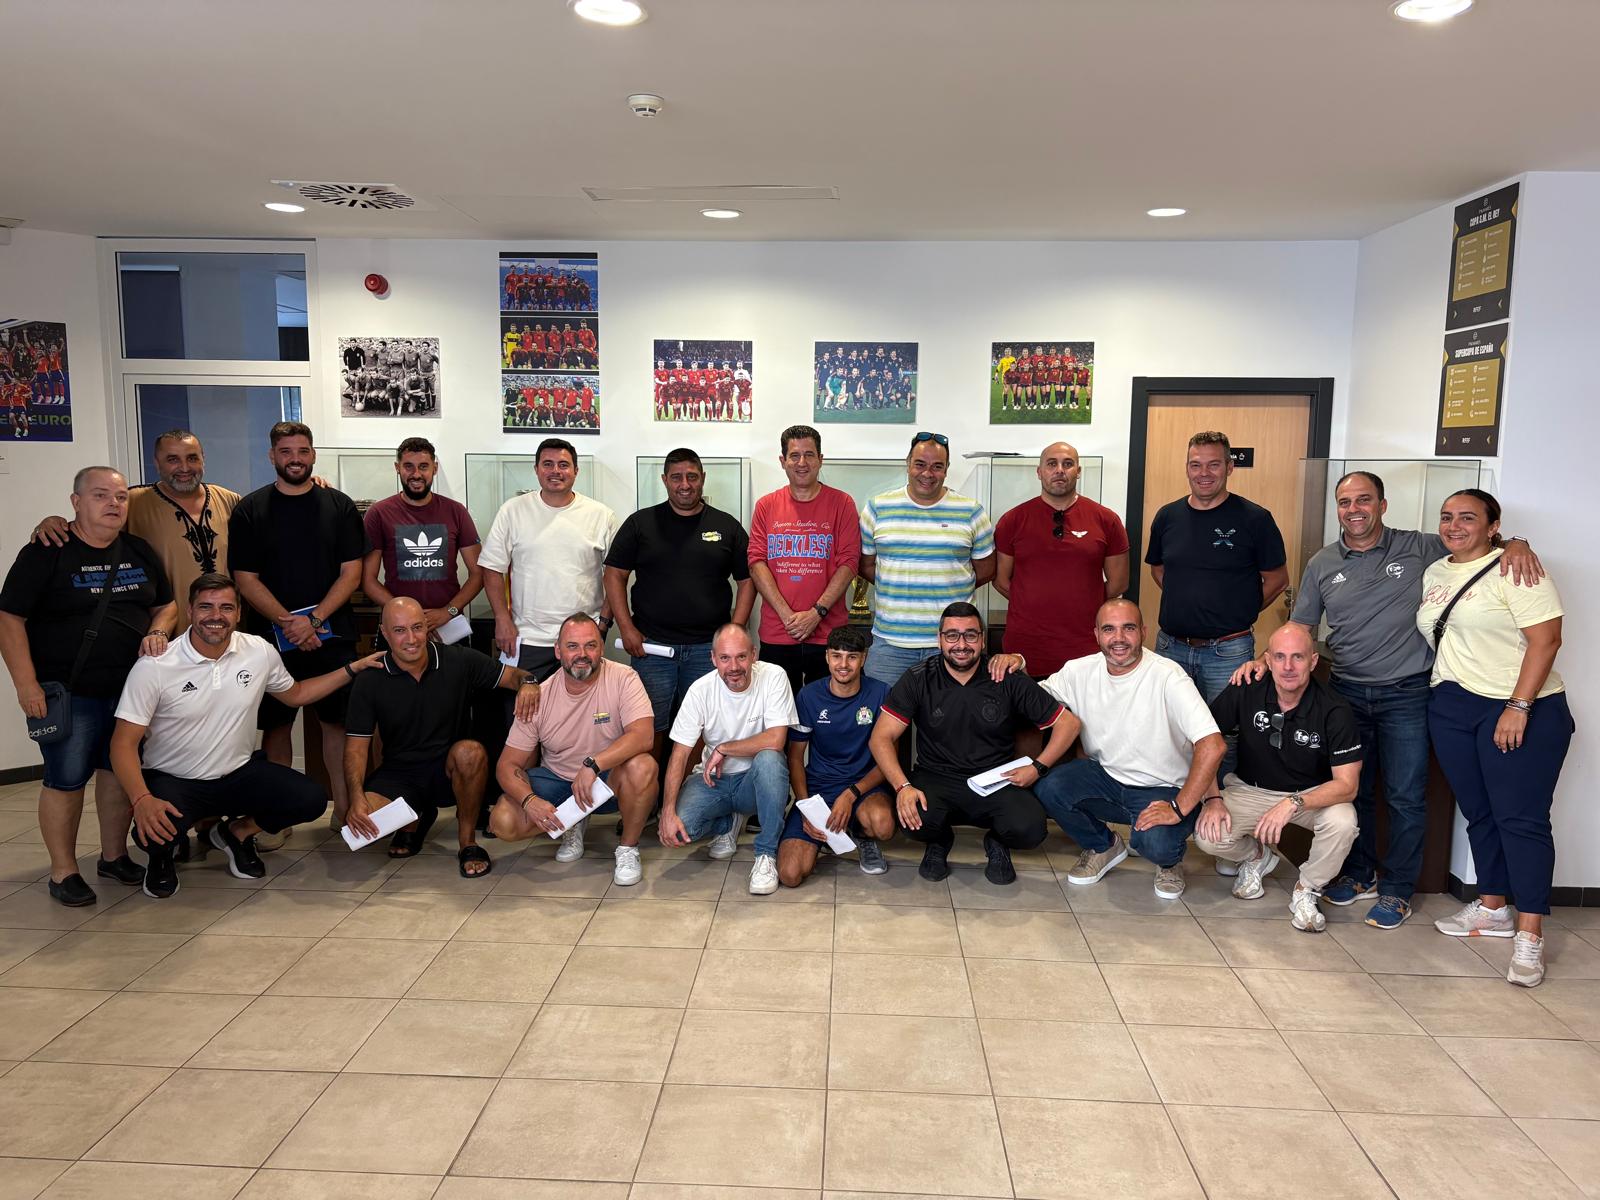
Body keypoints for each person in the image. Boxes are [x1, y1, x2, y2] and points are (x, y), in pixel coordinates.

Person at [1252, 469, 1541, 929]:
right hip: (1345, 692)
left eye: (1363, 500)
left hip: (1407, 693)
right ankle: (1361, 874)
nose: (1354, 510)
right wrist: (1265, 659)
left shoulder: (1419, 547)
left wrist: (1517, 543)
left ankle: (1398, 889)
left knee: (1406, 796)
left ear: (1382, 505)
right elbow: (1302, 625)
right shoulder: (1323, 562)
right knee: (1357, 790)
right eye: (1345, 502)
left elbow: (1472, 544)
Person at [111, 573, 382, 898]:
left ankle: (236, 833)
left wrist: (353, 668)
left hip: (237, 774)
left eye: (226, 607)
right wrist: (141, 799)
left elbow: (297, 694)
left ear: (239, 613)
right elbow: (122, 744)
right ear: (190, 611)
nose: (216, 616)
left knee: (310, 799)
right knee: (154, 830)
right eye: (206, 607)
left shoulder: (257, 651)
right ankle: (161, 858)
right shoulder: (156, 665)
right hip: (175, 779)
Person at [0, 466, 175, 906]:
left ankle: (114, 857)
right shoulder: (46, 551)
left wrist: (158, 629)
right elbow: (9, 618)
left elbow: (167, 605)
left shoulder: (138, 550)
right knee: (66, 779)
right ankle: (64, 871)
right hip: (68, 691)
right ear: (76, 502)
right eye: (100, 495)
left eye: (120, 497)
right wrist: (26, 684)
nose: (113, 504)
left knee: (117, 773)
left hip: (130, 691)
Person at [1419, 490, 1570, 987]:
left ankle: (1530, 934)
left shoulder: (1518, 568)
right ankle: (1492, 908)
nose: (1454, 525)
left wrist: (1518, 706)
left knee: (1521, 821)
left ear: (1493, 525)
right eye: (1447, 517)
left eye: (1468, 517)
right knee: (1479, 812)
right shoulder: (1436, 572)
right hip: (1452, 704)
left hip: (1518, 707)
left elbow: (1547, 640)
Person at [870, 603, 1075, 885]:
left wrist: (1038, 767)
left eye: (970, 635)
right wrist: (902, 787)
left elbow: (1068, 724)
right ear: (939, 639)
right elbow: (881, 738)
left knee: (1030, 829)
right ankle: (939, 841)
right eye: (952, 635)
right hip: (937, 776)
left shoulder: (1005, 676)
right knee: (912, 818)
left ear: (982, 638)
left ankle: (997, 842)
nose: (961, 644)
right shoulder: (919, 677)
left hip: (995, 778)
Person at [1034, 600, 1225, 900]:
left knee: (1155, 844)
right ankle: (1104, 845)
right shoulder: (1078, 671)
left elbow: (1213, 745)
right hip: (1106, 779)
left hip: (1162, 788)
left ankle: (1169, 863)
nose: (1119, 638)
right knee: (1050, 787)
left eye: (1129, 628)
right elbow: (1030, 699)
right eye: (1109, 629)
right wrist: (1015, 663)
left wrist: (1179, 807)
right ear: (1096, 634)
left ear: (1143, 632)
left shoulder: (1168, 676)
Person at [228, 422, 365, 827]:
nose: (295, 459)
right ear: (272, 456)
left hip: (331, 635)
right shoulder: (250, 509)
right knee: (276, 726)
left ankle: (345, 812)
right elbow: (245, 578)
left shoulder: (339, 505)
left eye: (303, 451)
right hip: (270, 637)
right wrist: (291, 624)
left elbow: (352, 573)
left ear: (313, 455)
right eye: (286, 452)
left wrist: (314, 620)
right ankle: (277, 819)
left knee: (338, 724)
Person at [343, 597, 539, 875]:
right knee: (362, 826)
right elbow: (356, 749)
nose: (411, 639)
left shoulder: (458, 659)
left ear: (427, 627)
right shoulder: (369, 679)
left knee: (470, 751)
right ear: (385, 633)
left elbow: (515, 676)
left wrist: (528, 683)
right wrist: (356, 798)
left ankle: (467, 843)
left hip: (449, 771)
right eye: (399, 631)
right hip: (399, 775)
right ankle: (415, 819)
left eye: (417, 627)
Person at [1199, 624, 1361, 931]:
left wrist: (1293, 803)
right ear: (1268, 660)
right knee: (1208, 834)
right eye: (1280, 657)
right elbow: (1204, 742)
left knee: (1343, 821)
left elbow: (1347, 786)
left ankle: (1307, 888)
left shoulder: (1335, 709)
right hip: (1250, 789)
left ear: (1313, 661)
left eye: (1297, 657)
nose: (1288, 667)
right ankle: (1257, 856)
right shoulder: (1246, 686)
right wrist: (1212, 799)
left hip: (1311, 795)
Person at [604, 447, 753, 761]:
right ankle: (649, 789)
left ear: (703, 478)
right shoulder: (640, 523)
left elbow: (747, 581)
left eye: (692, 477)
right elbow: (614, 575)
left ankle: (687, 790)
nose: (685, 484)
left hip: (707, 650)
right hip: (651, 648)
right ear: (664, 480)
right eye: (676, 478)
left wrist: (734, 631)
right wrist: (626, 628)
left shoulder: (726, 525)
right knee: (648, 727)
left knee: (700, 727)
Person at [488, 613, 659, 886]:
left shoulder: (624, 678)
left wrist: (593, 764)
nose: (582, 654)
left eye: (590, 645)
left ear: (601, 648)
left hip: (606, 782)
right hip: (558, 783)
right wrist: (529, 801)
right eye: (572, 646)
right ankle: (572, 822)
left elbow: (643, 736)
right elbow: (506, 766)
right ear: (558, 651)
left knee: (644, 766)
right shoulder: (539, 696)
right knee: (503, 821)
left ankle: (628, 848)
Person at [30, 430, 241, 636]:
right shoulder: (133, 501)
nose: (184, 467)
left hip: (228, 632)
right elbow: (90, 524)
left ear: (203, 459)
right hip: (166, 637)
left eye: (192, 458)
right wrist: (52, 522)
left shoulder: (229, 501)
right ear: (157, 463)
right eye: (173, 459)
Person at [1144, 431, 1288, 701]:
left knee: (1226, 725)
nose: (1204, 473)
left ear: (1229, 467)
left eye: (1214, 464)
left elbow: (1278, 580)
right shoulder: (1167, 516)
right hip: (1171, 649)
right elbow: (1158, 569)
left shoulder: (1256, 519)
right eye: (1195, 465)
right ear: (1187, 468)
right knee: (1169, 724)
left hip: (1228, 653)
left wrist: (1237, 610)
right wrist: (1188, 598)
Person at [658, 624, 797, 895]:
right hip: (713, 781)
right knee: (680, 829)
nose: (734, 667)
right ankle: (728, 823)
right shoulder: (700, 690)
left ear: (754, 654)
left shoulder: (774, 676)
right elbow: (679, 754)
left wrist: (724, 748)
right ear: (713, 658)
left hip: (754, 783)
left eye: (741, 657)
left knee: (770, 759)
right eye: (725, 658)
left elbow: (776, 739)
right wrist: (667, 812)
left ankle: (766, 855)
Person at [859, 433, 995, 687]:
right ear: (908, 464)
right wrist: (900, 584)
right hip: (890, 646)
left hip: (952, 645)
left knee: (952, 714)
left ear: (947, 469)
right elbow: (866, 566)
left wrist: (947, 583)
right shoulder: (877, 508)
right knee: (885, 713)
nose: (927, 473)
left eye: (937, 466)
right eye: (920, 464)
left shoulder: (971, 511)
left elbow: (986, 570)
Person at [478, 437, 619, 683]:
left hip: (582, 639)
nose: (556, 471)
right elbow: (491, 568)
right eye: (548, 464)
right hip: (527, 638)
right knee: (525, 704)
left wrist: (603, 624)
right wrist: (502, 619)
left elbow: (616, 575)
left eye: (563, 465)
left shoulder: (601, 515)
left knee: (583, 706)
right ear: (536, 469)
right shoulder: (512, 510)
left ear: (576, 470)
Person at [994, 441, 1130, 678]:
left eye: (1067, 464)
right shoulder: (1012, 520)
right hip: (1025, 650)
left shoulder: (1106, 520)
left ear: (1078, 471)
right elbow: (1000, 580)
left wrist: (1084, 603)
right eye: (1051, 464)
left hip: (1085, 648)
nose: (1059, 470)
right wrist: (1031, 603)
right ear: (1039, 472)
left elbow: (1119, 583)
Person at [748, 424, 861, 692]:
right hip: (778, 633)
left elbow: (849, 562)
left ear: (820, 459)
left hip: (828, 635)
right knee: (777, 712)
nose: (802, 463)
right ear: (783, 461)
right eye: (795, 455)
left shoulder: (842, 504)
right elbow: (756, 563)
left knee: (825, 710)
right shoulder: (766, 506)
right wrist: (787, 615)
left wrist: (816, 613)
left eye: (809, 455)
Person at [780, 624, 893, 887]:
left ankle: (861, 835)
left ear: (863, 658)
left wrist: (851, 793)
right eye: (836, 656)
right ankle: (826, 836)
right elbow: (795, 758)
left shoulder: (881, 693)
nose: (843, 664)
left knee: (883, 825)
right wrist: (807, 808)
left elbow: (888, 760)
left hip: (863, 787)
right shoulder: (809, 695)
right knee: (790, 874)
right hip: (819, 788)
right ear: (827, 657)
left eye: (852, 657)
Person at [361, 437, 483, 632]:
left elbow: (478, 573)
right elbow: (368, 580)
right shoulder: (378, 513)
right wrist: (406, 615)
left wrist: (448, 611)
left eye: (423, 467)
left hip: (448, 625)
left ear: (435, 468)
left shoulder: (456, 511)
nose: (416, 474)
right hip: (399, 625)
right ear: (397, 468)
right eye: (408, 466)